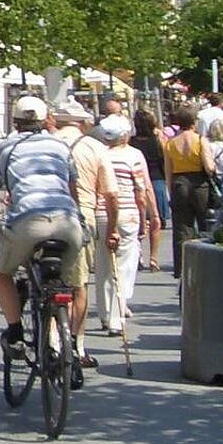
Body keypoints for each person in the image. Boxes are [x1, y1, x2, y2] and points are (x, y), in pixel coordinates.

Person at [0, 96, 88, 383]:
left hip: (28, 221)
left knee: (1, 270)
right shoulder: (60, 145)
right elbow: (72, 187)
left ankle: (16, 331)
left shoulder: (7, 147)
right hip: (68, 221)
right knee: (67, 282)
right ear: (46, 120)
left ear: (16, 121)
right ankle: (72, 349)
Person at [54, 98, 116, 369]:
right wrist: (112, 229)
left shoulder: (46, 143)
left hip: (46, 214)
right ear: (83, 123)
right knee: (79, 285)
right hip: (82, 217)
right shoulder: (95, 147)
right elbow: (111, 195)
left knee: (49, 282)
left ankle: (52, 341)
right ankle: (78, 346)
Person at [95, 116, 155, 336]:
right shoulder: (133, 155)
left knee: (102, 264)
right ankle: (116, 317)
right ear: (124, 135)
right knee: (123, 267)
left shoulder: (99, 155)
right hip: (126, 212)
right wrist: (145, 217)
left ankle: (103, 312)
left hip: (100, 213)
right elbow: (140, 190)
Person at [164, 105, 213, 280]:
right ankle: (207, 264)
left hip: (179, 183)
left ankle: (182, 268)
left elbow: (168, 171)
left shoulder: (170, 143)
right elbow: (209, 166)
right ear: (194, 122)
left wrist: (171, 192)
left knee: (181, 229)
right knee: (205, 224)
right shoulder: (200, 140)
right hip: (199, 184)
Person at [131, 109, 168, 273]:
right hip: (157, 181)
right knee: (155, 222)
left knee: (138, 222)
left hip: (136, 184)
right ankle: (153, 258)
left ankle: (138, 256)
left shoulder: (132, 143)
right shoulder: (157, 140)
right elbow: (164, 161)